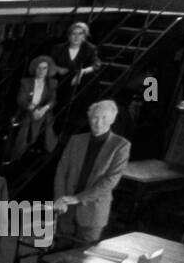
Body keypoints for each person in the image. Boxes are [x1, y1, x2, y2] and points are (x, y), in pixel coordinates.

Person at [52, 100, 130, 251]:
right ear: (89, 118)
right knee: (58, 255)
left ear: (112, 120)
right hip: (65, 209)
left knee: (83, 258)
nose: (98, 122)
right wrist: (59, 198)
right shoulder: (76, 140)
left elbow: (110, 182)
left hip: (93, 213)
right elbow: (61, 171)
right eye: (95, 117)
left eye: (104, 118)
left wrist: (77, 198)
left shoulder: (121, 146)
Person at [10, 55, 59, 162]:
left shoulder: (52, 83)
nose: (42, 71)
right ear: (34, 69)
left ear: (48, 69)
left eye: (45, 68)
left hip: (43, 112)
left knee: (45, 120)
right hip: (27, 111)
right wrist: (33, 109)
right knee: (27, 121)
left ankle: (47, 150)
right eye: (39, 68)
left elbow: (53, 100)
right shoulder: (25, 82)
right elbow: (21, 100)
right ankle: (18, 155)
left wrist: (44, 109)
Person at [49, 21, 101, 118]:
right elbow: (48, 62)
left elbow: (96, 65)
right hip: (61, 84)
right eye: (74, 33)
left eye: (80, 34)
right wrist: (57, 68)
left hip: (80, 85)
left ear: (84, 36)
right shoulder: (58, 48)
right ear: (69, 35)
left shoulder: (90, 49)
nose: (76, 37)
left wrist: (83, 71)